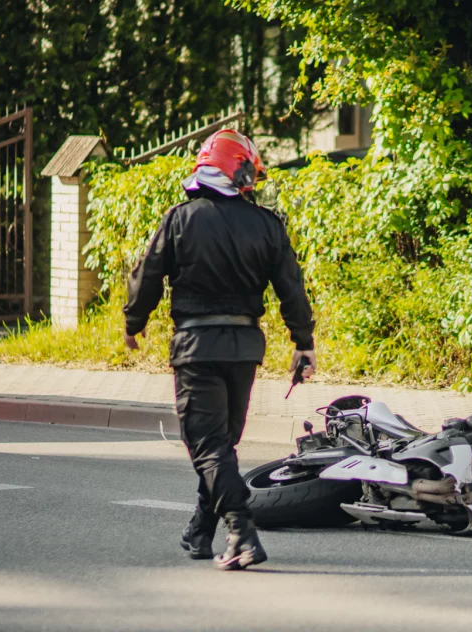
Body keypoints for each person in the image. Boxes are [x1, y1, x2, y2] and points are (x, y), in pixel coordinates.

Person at [122, 129, 316, 570]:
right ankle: (199, 531)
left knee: (209, 446)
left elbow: (147, 274)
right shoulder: (267, 224)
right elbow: (292, 289)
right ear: (240, 172)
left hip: (196, 347)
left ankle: (242, 534)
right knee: (221, 446)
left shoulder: (180, 219)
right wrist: (303, 343)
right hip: (244, 349)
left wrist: (134, 323)